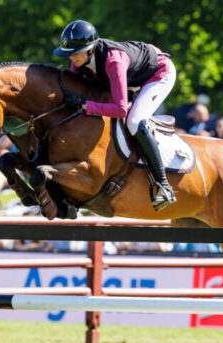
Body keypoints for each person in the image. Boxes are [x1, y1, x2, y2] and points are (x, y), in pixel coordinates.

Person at [54, 20, 177, 211]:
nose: (71, 57)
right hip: (132, 74)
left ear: (90, 49)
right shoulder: (80, 62)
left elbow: (120, 110)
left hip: (159, 73)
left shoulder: (113, 62)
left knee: (134, 121)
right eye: (69, 53)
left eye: (76, 53)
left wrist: (86, 105)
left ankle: (164, 185)